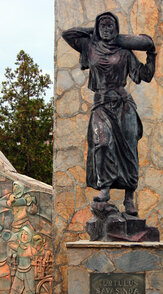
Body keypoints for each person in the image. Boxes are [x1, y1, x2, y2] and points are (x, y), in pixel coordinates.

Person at [62, 12, 156, 215]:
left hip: (124, 106)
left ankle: (129, 199)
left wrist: (152, 54)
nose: (106, 28)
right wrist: (91, 32)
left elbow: (145, 75)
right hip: (101, 105)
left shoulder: (125, 52)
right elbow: (67, 34)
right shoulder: (90, 47)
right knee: (102, 144)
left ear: (116, 28)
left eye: (110, 25)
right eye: (102, 25)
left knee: (129, 151)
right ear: (98, 28)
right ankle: (105, 188)